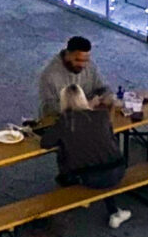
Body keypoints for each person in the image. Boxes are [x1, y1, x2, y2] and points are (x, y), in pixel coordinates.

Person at [42, 80, 138, 227]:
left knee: (65, 154)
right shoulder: (102, 116)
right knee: (100, 155)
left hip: (89, 177)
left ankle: (61, 204)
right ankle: (113, 211)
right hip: (118, 170)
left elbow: (45, 143)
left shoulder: (65, 122)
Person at [36, 37, 110, 123]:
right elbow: (48, 108)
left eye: (86, 60)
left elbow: (102, 88)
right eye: (78, 60)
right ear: (67, 54)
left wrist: (106, 97)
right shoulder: (50, 75)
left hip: (87, 118)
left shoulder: (89, 66)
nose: (83, 65)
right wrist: (85, 106)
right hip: (60, 122)